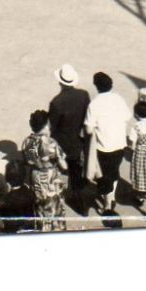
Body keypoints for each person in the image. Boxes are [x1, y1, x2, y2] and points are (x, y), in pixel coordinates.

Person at [85, 72, 132, 216]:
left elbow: (88, 129)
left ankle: (107, 205)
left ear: (96, 86)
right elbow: (127, 117)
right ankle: (111, 198)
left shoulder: (94, 104)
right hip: (119, 144)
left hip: (103, 147)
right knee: (114, 172)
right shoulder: (118, 99)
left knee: (104, 177)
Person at [21, 109, 69, 231]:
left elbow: (26, 162)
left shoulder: (26, 142)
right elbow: (64, 166)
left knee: (40, 209)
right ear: (46, 125)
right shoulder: (51, 143)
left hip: (35, 178)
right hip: (50, 180)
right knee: (54, 209)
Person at [47, 64, 90, 197]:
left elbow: (52, 126)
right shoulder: (84, 95)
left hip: (63, 143)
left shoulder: (56, 102)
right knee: (77, 169)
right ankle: (78, 190)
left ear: (60, 82)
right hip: (79, 140)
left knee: (63, 167)